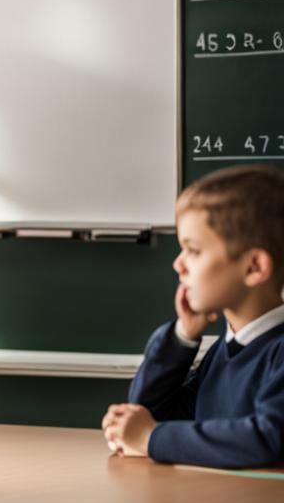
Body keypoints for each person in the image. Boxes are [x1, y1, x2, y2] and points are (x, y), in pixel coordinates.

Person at [103, 165, 284, 467]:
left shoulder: (278, 353)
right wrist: (182, 337)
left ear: (254, 267)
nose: (178, 265)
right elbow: (155, 413)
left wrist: (150, 439)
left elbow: (267, 438)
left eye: (193, 251)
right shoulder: (221, 352)